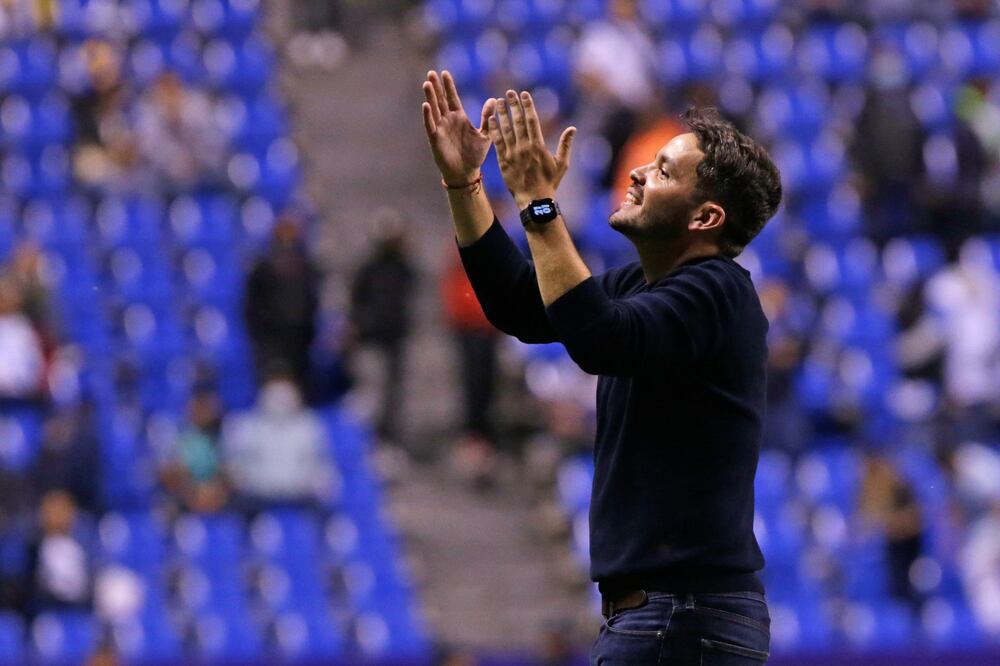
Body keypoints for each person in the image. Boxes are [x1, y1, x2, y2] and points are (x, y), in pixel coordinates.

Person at [421, 71, 782, 663]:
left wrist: (539, 205)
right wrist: (465, 185)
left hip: (684, 613)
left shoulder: (719, 290)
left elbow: (599, 340)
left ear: (706, 218)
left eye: (664, 170)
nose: (638, 171)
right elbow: (523, 309)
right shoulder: (644, 283)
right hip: (669, 615)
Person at [222, 371, 335, 515]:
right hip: (257, 499)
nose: (280, 399)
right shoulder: (243, 424)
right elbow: (234, 466)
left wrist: (316, 483)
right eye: (274, 393)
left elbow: (323, 465)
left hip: (301, 498)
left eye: (285, 393)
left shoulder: (311, 424)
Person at [349, 211, 416, 444]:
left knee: (392, 393)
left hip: (394, 338)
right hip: (371, 339)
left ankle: (389, 436)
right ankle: (367, 437)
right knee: (371, 390)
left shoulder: (404, 269)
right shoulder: (368, 270)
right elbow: (356, 303)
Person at [243, 214, 322, 393]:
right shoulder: (262, 270)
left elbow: (312, 303)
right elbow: (251, 308)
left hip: (300, 345)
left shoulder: (307, 268)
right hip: (270, 344)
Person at [158, 388, 229, 514]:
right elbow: (171, 472)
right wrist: (193, 491)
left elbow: (226, 471)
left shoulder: (222, 437)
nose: (205, 413)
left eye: (207, 409)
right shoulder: (179, 437)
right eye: (199, 408)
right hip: (188, 493)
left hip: (214, 491)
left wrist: (214, 488)